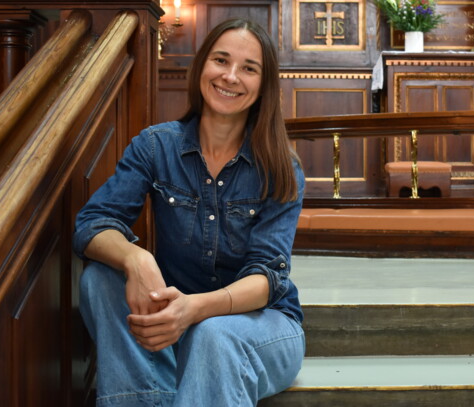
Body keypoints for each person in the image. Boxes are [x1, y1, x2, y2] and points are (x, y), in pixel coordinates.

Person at [73, 18, 305, 406]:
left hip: (261, 327)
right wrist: (136, 257)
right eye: (221, 60)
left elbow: (268, 278)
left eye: (249, 69)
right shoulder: (155, 147)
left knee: (212, 335)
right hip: (172, 326)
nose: (231, 77)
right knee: (99, 280)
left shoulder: (281, 167)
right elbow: (92, 224)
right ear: (201, 67)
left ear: (264, 86)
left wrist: (195, 310)